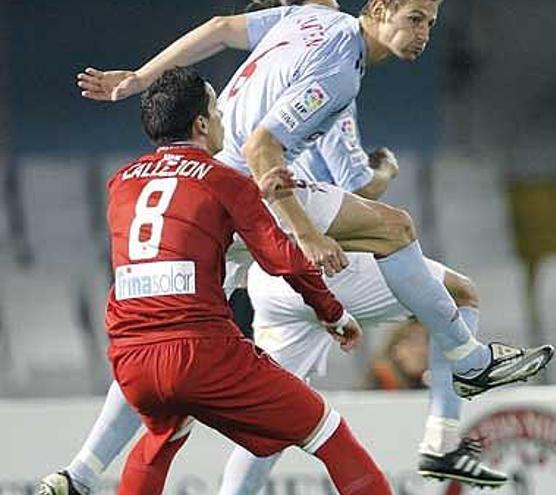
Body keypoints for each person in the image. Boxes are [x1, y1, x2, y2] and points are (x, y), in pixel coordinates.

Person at [76, 0, 553, 406]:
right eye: (414, 18)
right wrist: (309, 235)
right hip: (242, 192)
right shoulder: (341, 68)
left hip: (208, 190)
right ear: (379, 9)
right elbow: (262, 148)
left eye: (430, 21)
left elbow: (221, 29)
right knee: (396, 228)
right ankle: (468, 362)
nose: (423, 33)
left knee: (172, 347)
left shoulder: (309, 18)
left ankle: (82, 470)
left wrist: (141, 77)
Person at [40, 67, 392, 495]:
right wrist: (334, 316)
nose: (223, 119)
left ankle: (81, 475)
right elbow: (286, 261)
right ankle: (80, 475)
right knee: (328, 432)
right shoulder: (225, 180)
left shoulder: (120, 183)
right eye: (216, 110)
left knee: (161, 433)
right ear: (201, 124)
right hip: (202, 352)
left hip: (130, 357)